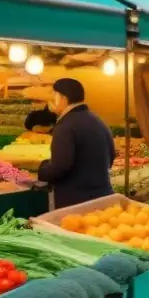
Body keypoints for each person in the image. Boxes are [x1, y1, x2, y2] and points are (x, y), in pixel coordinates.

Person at [37, 79, 115, 210]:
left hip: (76, 202)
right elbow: (111, 156)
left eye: (54, 96)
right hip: (102, 196)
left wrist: (42, 170)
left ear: (63, 98)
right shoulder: (97, 121)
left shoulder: (65, 126)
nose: (51, 101)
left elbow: (60, 166)